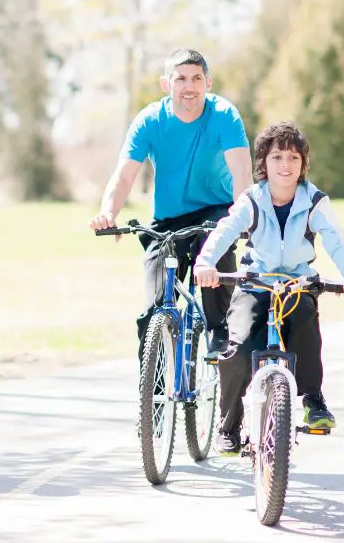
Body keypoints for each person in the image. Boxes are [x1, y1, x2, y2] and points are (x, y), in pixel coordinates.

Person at [192, 121, 344, 454]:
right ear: (263, 164)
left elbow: (335, 238)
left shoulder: (313, 200)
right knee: (239, 349)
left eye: (293, 158)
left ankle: (313, 399)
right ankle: (228, 425)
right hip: (255, 281)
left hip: (296, 281)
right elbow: (226, 231)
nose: (286, 165)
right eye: (277, 157)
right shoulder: (252, 200)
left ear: (303, 165)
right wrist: (206, 262)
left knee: (306, 326)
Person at [89, 48, 253, 359]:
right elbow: (124, 176)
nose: (189, 86)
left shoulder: (224, 116)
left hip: (216, 211)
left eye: (196, 78)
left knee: (213, 246)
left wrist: (244, 218)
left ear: (208, 83)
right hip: (169, 219)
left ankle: (219, 330)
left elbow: (242, 173)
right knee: (155, 308)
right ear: (167, 84)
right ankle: (156, 393)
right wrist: (108, 212)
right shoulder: (150, 120)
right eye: (180, 79)